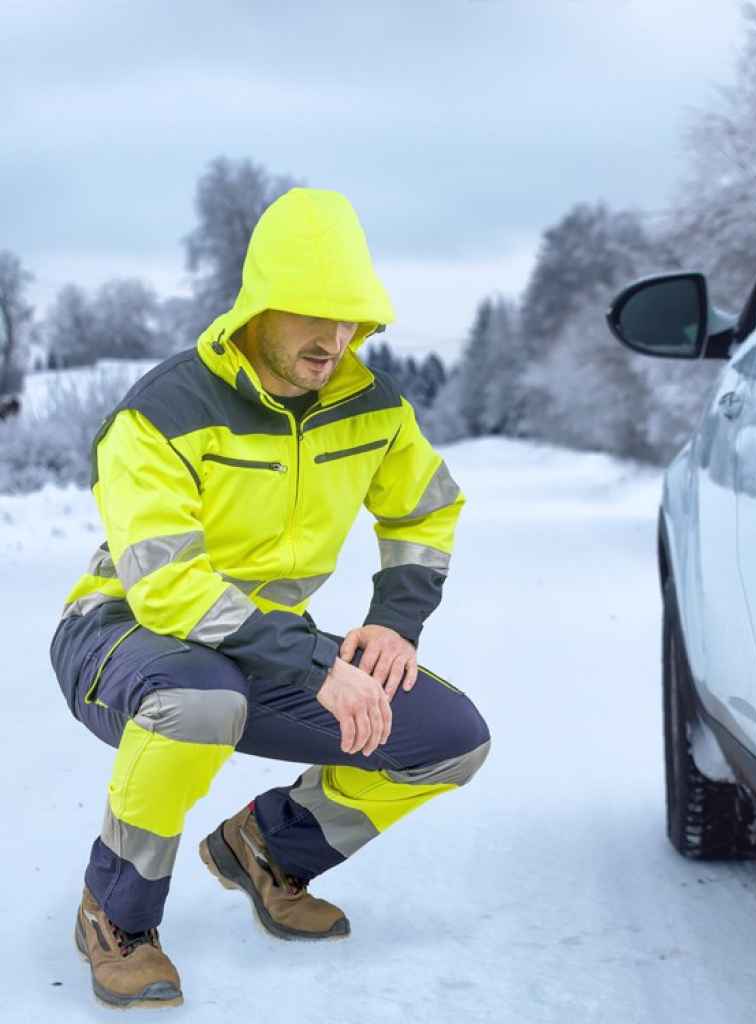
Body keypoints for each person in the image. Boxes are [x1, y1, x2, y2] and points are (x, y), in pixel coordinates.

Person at [49, 187, 491, 1010]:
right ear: (258, 307)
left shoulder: (373, 407)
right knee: (198, 697)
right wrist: (313, 665)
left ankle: (265, 847)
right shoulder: (162, 412)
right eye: (315, 317)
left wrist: (395, 624)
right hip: (120, 633)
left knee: (449, 739)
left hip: (263, 644)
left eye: (353, 319)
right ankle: (116, 913)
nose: (336, 340)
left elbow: (427, 506)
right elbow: (169, 587)